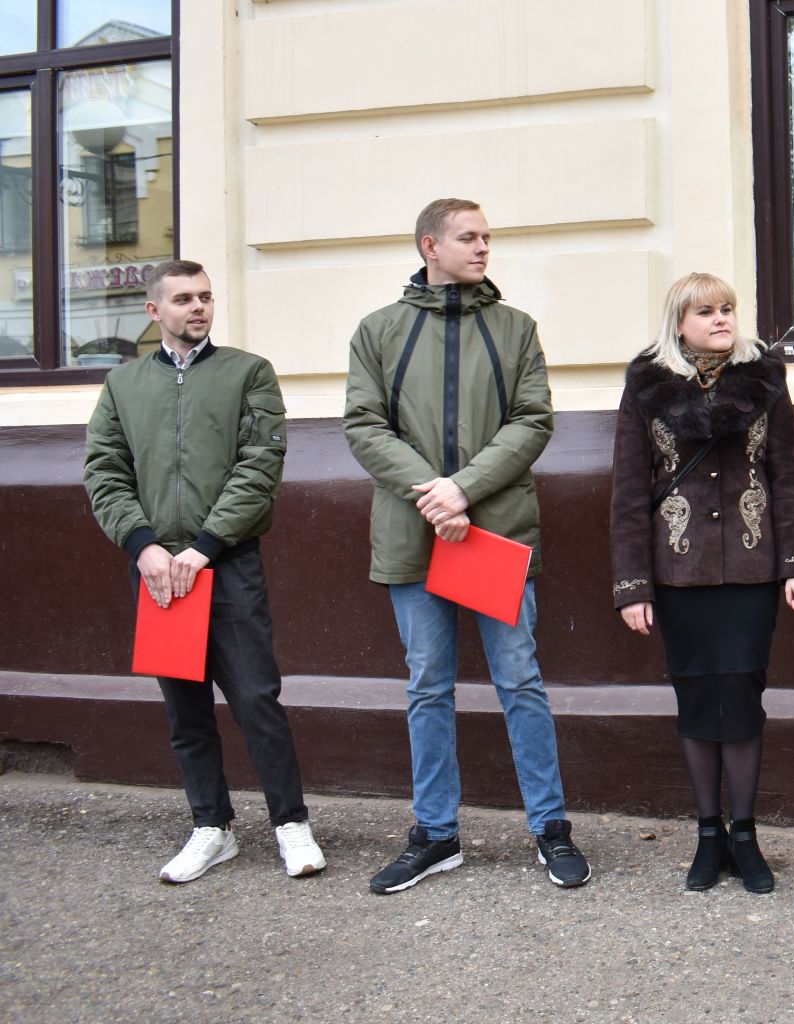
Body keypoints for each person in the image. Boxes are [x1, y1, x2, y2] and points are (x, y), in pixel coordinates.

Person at [343, 198, 591, 893]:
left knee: (520, 681)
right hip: (414, 536)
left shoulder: (513, 329)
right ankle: (436, 834)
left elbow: (532, 420)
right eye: (468, 237)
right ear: (430, 245)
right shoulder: (379, 331)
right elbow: (364, 425)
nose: (483, 247)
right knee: (427, 685)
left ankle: (550, 827)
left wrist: (464, 491)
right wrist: (433, 491)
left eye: (487, 237)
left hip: (493, 533)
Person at [82, 260, 327, 883]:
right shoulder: (124, 385)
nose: (199, 307)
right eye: (184, 299)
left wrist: (205, 547)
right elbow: (104, 471)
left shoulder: (248, 373)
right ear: (153, 310)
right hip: (159, 572)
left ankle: (290, 824)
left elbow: (259, 465)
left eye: (207, 297)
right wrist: (144, 547)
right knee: (184, 710)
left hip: (228, 564)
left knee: (255, 698)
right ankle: (211, 828)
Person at [610, 273, 794, 894]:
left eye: (728, 308)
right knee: (698, 705)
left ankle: (747, 837)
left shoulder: (764, 382)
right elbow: (627, 492)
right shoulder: (647, 389)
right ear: (680, 322)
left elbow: (788, 477)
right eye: (706, 311)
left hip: (753, 571)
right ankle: (709, 836)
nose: (722, 319)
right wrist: (633, 586)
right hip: (680, 573)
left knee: (744, 705)